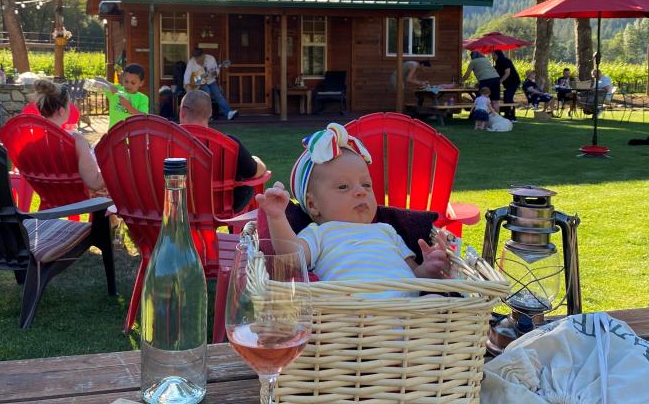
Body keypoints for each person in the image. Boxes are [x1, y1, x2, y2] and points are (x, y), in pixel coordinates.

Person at [259, 124, 450, 298]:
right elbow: (292, 257)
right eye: (343, 187)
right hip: (353, 310)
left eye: (366, 185)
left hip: (406, 310)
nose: (360, 192)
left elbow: (413, 275)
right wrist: (276, 217)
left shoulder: (387, 230)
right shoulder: (320, 233)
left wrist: (428, 269)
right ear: (313, 205)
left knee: (436, 300)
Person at [179, 90, 266, 212]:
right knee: (246, 185)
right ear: (210, 114)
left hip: (176, 206)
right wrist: (257, 161)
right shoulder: (229, 143)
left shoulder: (163, 141)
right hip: (220, 208)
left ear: (182, 112)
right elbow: (253, 172)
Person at [29, 79, 106, 197]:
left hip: (48, 199)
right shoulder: (76, 140)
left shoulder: (30, 141)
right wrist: (115, 166)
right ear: (61, 111)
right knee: (104, 196)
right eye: (69, 104)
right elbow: (94, 183)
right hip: (75, 201)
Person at [183, 48, 237, 120]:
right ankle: (207, 116)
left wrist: (215, 73)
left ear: (203, 55)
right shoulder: (191, 62)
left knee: (219, 95)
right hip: (200, 82)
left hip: (211, 80)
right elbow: (187, 74)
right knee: (206, 94)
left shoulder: (211, 59)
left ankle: (228, 113)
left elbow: (217, 70)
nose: (197, 60)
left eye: (199, 58)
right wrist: (187, 85)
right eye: (196, 59)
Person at [103, 63, 149, 131]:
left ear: (141, 83)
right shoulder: (116, 90)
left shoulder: (143, 98)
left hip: (132, 136)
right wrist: (108, 86)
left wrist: (129, 106)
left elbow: (144, 117)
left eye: (133, 83)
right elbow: (97, 81)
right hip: (114, 134)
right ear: (122, 79)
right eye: (126, 81)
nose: (128, 85)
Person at [493, 51, 521, 120]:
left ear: (497, 55)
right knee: (507, 98)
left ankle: (512, 116)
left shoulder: (504, 61)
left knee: (508, 98)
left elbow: (507, 72)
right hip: (507, 84)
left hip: (513, 82)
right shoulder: (497, 63)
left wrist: (500, 81)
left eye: (493, 55)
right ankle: (507, 115)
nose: (492, 56)